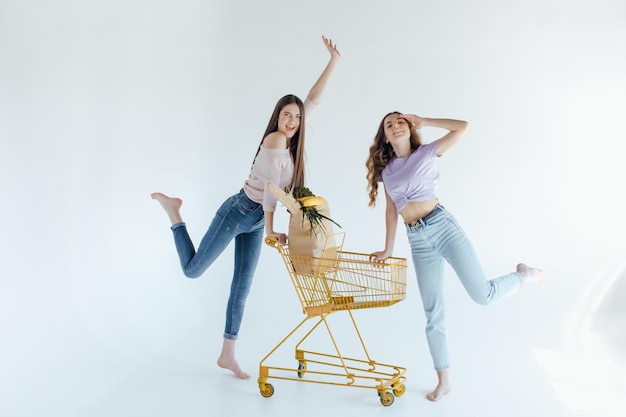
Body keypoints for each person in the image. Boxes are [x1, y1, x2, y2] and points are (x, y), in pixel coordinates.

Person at [151, 36, 340, 380]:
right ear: (277, 117)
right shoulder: (276, 140)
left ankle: (227, 353)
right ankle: (174, 213)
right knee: (193, 272)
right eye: (287, 114)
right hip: (239, 211)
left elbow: (313, 99)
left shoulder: (295, 135)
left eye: (297, 116)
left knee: (242, 285)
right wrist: (270, 229)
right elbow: (270, 192)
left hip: (254, 220)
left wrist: (333, 61)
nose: (293, 120)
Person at [365, 112, 544, 401]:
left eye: (400, 121)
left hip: (443, 227)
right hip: (417, 241)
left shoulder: (426, 152)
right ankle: (444, 380)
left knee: (483, 295)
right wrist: (388, 248)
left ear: (408, 128)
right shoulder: (388, 172)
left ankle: (524, 275)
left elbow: (463, 127)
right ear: (385, 137)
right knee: (433, 313)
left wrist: (423, 119)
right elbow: (390, 210)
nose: (395, 125)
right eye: (389, 124)